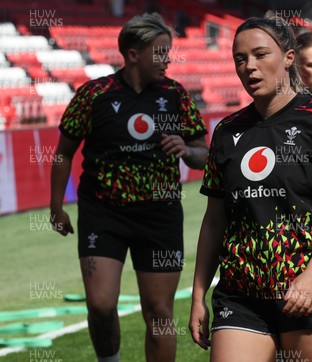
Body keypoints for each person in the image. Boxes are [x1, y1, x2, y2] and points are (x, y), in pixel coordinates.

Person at [188, 17, 312, 362]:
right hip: (241, 297)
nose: (249, 66)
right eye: (240, 58)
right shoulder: (226, 131)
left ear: (288, 57)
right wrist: (198, 296)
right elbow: (213, 221)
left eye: (260, 54)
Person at [50, 13, 208, 362]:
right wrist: (56, 206)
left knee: (160, 312)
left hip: (160, 215)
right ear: (133, 54)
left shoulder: (175, 95)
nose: (168, 59)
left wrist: (187, 150)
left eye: (169, 52)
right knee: (101, 305)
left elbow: (204, 154)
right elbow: (62, 154)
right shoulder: (94, 95)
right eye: (160, 52)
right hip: (103, 213)